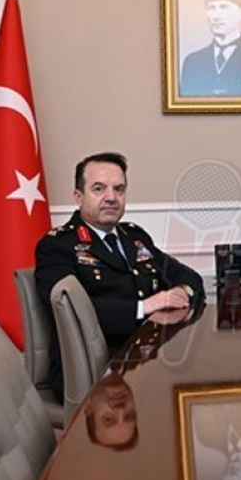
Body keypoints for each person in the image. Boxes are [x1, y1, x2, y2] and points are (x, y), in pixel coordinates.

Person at [35, 152, 204, 392]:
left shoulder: (134, 237)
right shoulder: (58, 246)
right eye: (99, 189)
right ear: (78, 197)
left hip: (146, 359)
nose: (111, 198)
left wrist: (181, 291)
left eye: (119, 189)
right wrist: (144, 306)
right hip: (95, 369)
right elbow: (71, 310)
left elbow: (188, 277)